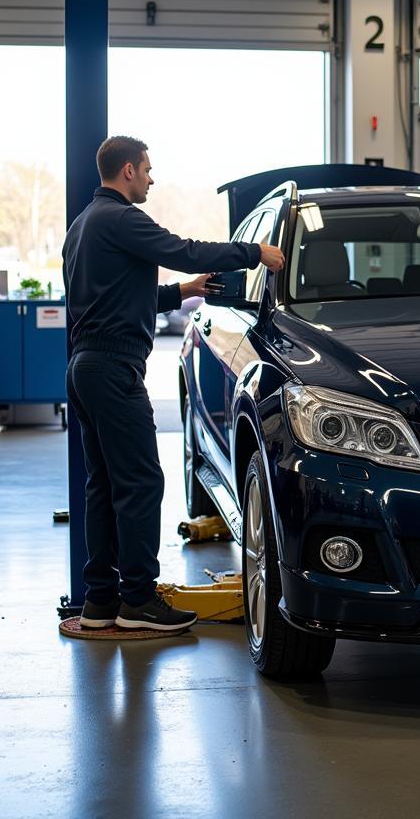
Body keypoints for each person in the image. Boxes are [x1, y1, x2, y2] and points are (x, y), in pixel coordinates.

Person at [62, 135, 285, 631]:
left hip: (84, 367)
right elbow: (183, 248)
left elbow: (118, 297)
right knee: (140, 485)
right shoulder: (122, 219)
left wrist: (184, 292)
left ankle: (100, 602)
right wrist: (255, 252)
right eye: (146, 170)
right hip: (115, 370)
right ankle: (138, 601)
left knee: (103, 485)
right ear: (126, 172)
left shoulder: (83, 226)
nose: (150, 178)